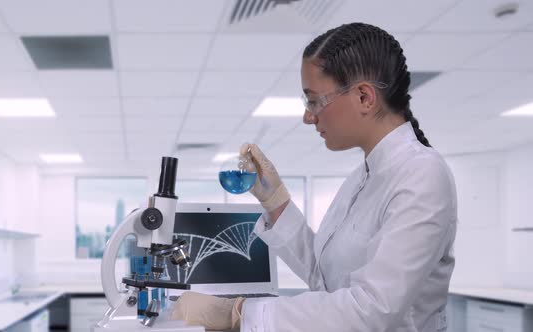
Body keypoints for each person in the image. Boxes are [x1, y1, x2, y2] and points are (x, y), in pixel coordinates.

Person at [172, 22, 457, 332]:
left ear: (364, 97)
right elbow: (325, 278)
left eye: (313, 100)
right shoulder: (363, 177)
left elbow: (372, 309)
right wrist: (275, 201)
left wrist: (239, 313)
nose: (308, 116)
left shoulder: (421, 175)